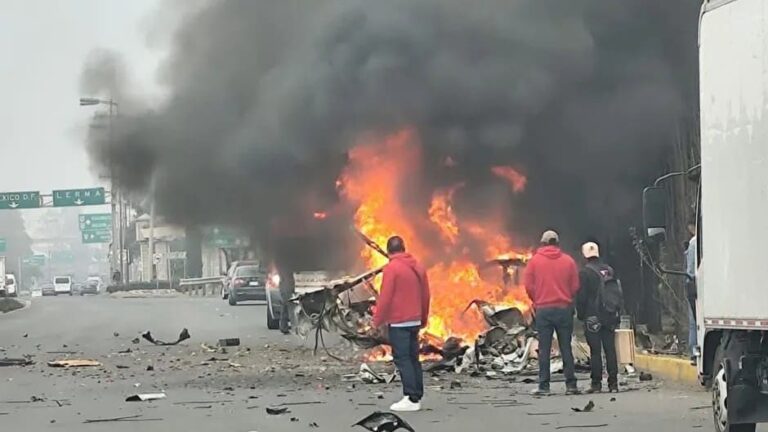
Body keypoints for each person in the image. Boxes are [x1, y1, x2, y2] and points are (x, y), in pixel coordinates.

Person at [372, 236, 431, 412]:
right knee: (413, 358)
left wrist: (377, 320)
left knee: (402, 358)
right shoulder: (418, 266)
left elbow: (385, 297)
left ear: (389, 252)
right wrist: (423, 318)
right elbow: (426, 295)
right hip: (415, 319)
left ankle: (411, 398)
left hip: (399, 321)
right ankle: (417, 395)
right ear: (404, 249)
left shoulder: (392, 269)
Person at [523, 230, 580, 396]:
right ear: (557, 243)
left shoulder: (534, 262)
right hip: (564, 309)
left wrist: (538, 299)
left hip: (544, 310)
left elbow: (528, 286)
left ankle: (544, 386)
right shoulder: (569, 261)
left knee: (544, 349)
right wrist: (566, 297)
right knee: (565, 348)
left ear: (543, 243)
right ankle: (571, 385)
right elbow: (575, 286)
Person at [576, 242, 620, 393]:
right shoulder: (609, 270)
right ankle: (613, 384)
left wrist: (581, 315)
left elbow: (581, 297)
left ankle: (596, 384)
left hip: (592, 317)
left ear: (584, 255)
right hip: (609, 314)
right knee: (610, 349)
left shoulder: (584, 273)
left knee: (595, 351)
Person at [685, 222, 698, 364]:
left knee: (694, 321)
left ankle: (695, 351)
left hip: (695, 286)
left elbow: (690, 271)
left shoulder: (694, 243)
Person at [278, 267, 296, 335]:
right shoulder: (287, 273)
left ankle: (284, 327)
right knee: (290, 309)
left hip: (285, 291)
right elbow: (289, 282)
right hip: (287, 292)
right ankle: (292, 327)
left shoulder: (284, 272)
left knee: (285, 310)